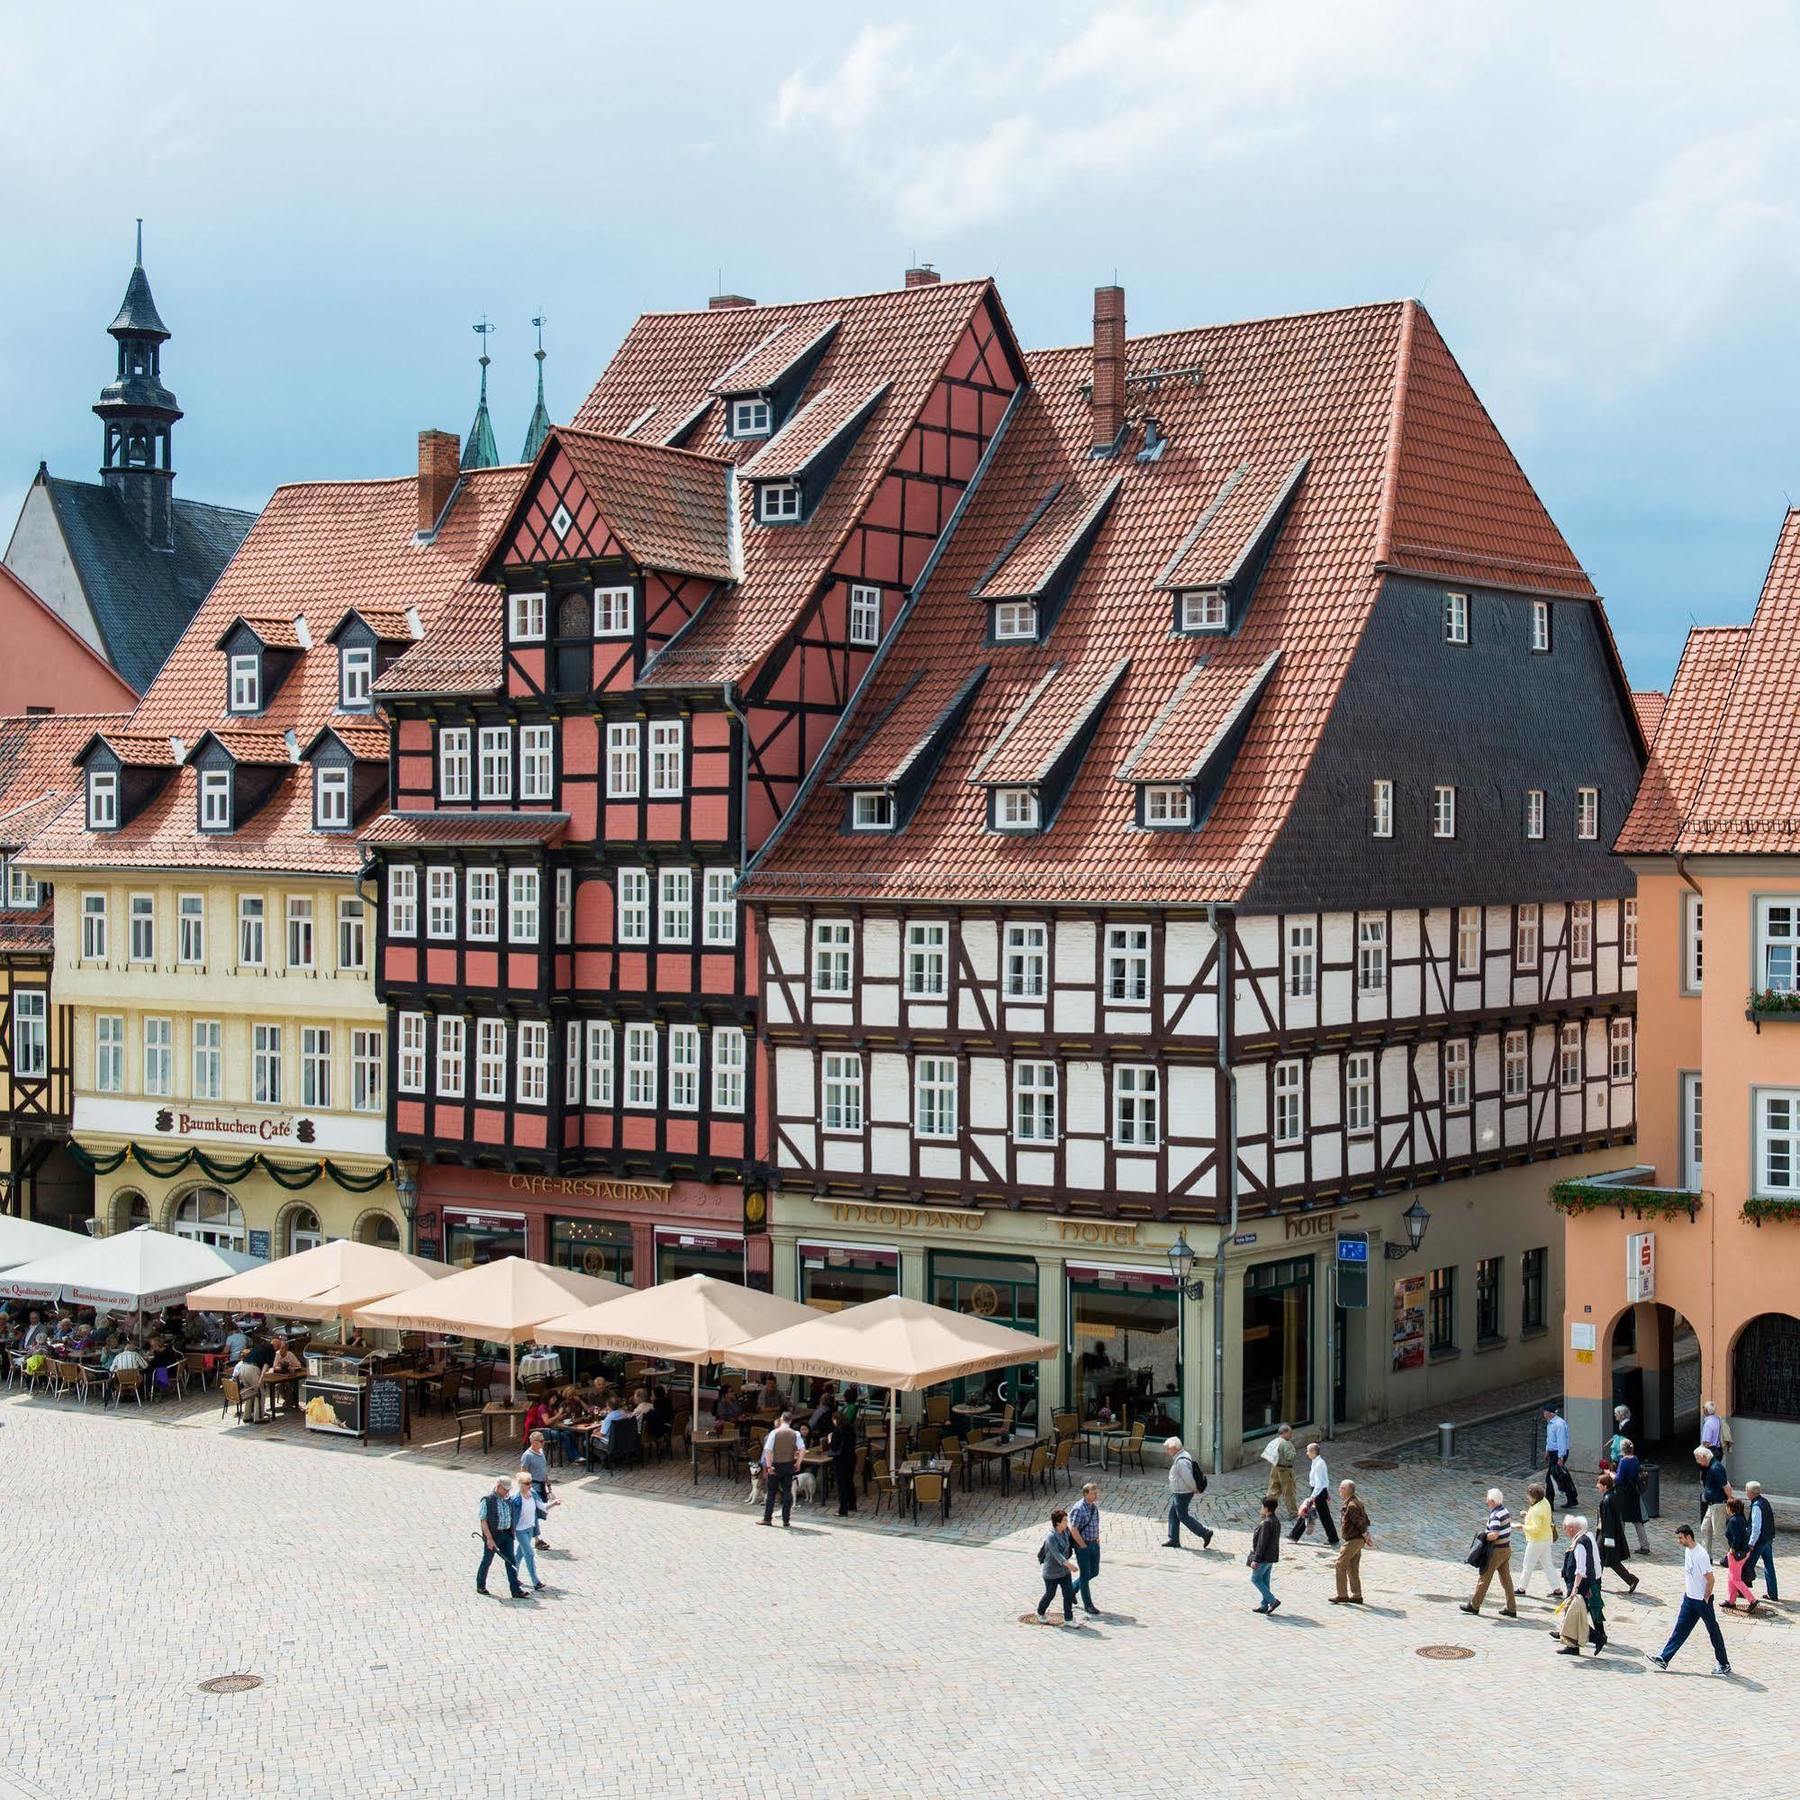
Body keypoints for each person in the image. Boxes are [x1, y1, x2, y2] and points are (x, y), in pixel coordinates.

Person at [1649, 1524, 1731, 1676]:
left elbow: (1711, 1580)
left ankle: (1724, 1663)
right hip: (1689, 1599)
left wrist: (1706, 1597)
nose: (1678, 1541)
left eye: (1680, 1538)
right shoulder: (1688, 1551)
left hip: (1701, 1601)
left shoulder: (1701, 1555)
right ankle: (1664, 1658)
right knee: (1679, 1630)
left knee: (1713, 1631)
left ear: (1688, 1537)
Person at [1462, 1488, 1517, 1616]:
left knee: (1484, 1577)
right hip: (1506, 1549)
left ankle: (1474, 1605)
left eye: (1487, 1499)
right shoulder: (1505, 1511)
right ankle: (1511, 1607)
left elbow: (1494, 1534)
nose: (1486, 1501)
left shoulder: (1495, 1515)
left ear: (1492, 1501)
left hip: (1496, 1551)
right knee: (1506, 1580)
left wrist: (1483, 1536)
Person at [1555, 1515, 1603, 1656]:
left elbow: (1580, 1569)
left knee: (1574, 1617)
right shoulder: (1582, 1539)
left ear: (1571, 1528)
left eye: (1565, 1529)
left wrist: (1575, 1589)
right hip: (1581, 1585)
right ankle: (1573, 1646)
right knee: (1573, 1616)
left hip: (1580, 1586)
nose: (1565, 1532)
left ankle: (1598, 1638)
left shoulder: (1580, 1543)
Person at [476, 1477, 526, 1600]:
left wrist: (512, 1530)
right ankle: (480, 1585)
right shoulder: (488, 1500)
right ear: (498, 1486)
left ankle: (516, 1590)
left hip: (507, 1535)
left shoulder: (508, 1500)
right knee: (487, 1560)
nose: (507, 1492)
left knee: (511, 1562)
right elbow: (483, 1521)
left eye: (508, 1489)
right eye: (505, 1489)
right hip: (494, 1535)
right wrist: (489, 1539)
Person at [1161, 1436, 1214, 1548]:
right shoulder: (1182, 1455)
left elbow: (1188, 1478)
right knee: (1173, 1515)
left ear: (1174, 1448)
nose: (1167, 1451)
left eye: (1168, 1448)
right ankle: (1173, 1539)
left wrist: (1194, 1489)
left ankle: (1205, 1533)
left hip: (1182, 1493)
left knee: (1183, 1516)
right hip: (1180, 1491)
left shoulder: (1181, 1461)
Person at [1595, 1470, 1638, 1593]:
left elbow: (1608, 1521)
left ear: (1605, 1486)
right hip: (1606, 1534)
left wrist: (1608, 1539)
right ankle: (1597, 1582)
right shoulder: (1611, 1495)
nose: (1597, 1486)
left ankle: (1630, 1579)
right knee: (1602, 1559)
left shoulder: (1608, 1499)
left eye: (1599, 1484)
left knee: (1609, 1560)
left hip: (1606, 1535)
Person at [1288, 1442, 1338, 1544]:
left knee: (1312, 1513)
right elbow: (1325, 1480)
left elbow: (1319, 1483)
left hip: (1318, 1492)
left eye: (1308, 1451)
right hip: (1319, 1492)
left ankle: (1294, 1535)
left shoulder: (1319, 1464)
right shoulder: (1317, 1462)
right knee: (1322, 1516)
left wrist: (1312, 1497)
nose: (1307, 1453)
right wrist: (1326, 1492)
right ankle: (1294, 1535)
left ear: (1313, 1452)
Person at [759, 1411, 802, 1528]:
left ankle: (767, 1518)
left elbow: (767, 1450)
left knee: (771, 1492)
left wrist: (768, 1466)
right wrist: (798, 1462)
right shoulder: (796, 1434)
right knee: (787, 1492)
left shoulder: (774, 1433)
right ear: (791, 1421)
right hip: (788, 1465)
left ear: (782, 1420)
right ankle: (786, 1520)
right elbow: (802, 1449)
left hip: (776, 1465)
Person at [1516, 1483, 1559, 1599]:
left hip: (1537, 1541)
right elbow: (1541, 1519)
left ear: (1534, 1497)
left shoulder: (1536, 1510)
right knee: (1548, 1564)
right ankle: (1557, 1589)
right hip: (1546, 1538)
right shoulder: (1544, 1502)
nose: (1527, 1498)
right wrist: (1527, 1515)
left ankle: (1521, 1588)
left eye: (1528, 1496)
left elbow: (1535, 1529)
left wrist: (1522, 1527)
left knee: (1527, 1564)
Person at [1331, 1480, 1370, 1604]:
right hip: (1358, 1539)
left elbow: (1360, 1522)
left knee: (1340, 1564)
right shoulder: (1357, 1502)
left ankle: (1342, 1595)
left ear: (1348, 1490)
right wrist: (1366, 1535)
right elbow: (1367, 1520)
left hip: (1354, 1540)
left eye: (1341, 1488)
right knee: (1352, 1566)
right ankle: (1356, 1595)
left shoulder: (1352, 1505)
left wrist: (1365, 1535)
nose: (1339, 1490)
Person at [1036, 1508, 1078, 1625]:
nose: (1067, 1522)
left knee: (1068, 1594)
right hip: (1051, 1573)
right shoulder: (1051, 1536)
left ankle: (1068, 1619)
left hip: (1064, 1572)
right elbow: (1057, 1555)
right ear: (1058, 1523)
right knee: (1050, 1594)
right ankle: (1040, 1612)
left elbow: (1071, 1544)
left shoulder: (1066, 1532)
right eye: (1065, 1520)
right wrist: (1070, 1565)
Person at [1069, 1482, 1102, 1617]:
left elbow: (1095, 1523)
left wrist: (1097, 1537)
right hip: (1083, 1546)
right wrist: (1082, 1545)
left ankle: (1072, 1588)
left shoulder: (1093, 1507)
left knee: (1094, 1572)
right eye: (1093, 1493)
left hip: (1094, 1544)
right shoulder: (1079, 1508)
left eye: (1096, 1492)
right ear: (1085, 1494)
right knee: (1085, 1574)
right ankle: (1088, 1604)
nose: (1096, 1495)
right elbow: (1073, 1529)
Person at [1743, 1481, 1779, 1602]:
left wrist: (1751, 1543)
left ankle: (1743, 1591)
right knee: (1769, 1566)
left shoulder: (1756, 1505)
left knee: (1748, 1565)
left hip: (1759, 1541)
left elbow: (1756, 1527)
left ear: (1751, 1493)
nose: (1746, 1492)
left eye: (1746, 1490)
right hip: (1768, 1538)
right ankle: (1773, 1594)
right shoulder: (1764, 1501)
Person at [1722, 1497, 1760, 1611]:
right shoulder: (1741, 1518)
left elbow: (1736, 1537)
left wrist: (1732, 1549)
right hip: (1744, 1552)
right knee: (1731, 1577)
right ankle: (1731, 1600)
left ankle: (1752, 1600)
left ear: (1730, 1508)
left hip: (1736, 1554)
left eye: (1727, 1507)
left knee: (1736, 1579)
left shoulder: (1732, 1521)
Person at [510, 1471, 545, 1592]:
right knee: (529, 1554)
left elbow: (542, 1507)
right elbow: (511, 1517)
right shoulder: (516, 1499)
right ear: (520, 1484)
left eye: (530, 1482)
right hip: (520, 1530)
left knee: (519, 1554)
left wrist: (554, 1504)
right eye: (527, 1483)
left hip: (530, 1528)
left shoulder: (533, 1493)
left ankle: (513, 1576)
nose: (530, 1485)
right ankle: (536, 1581)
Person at [1695, 1446, 1731, 1563]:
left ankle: (1735, 1554)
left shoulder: (1716, 1468)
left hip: (1718, 1504)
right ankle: (1707, 1557)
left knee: (1719, 1533)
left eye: (1698, 1459)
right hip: (1711, 1505)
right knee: (1705, 1528)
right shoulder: (1710, 1467)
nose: (1697, 1462)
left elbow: (1725, 1485)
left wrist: (1730, 1498)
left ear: (1704, 1457)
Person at [1613, 1439, 1650, 1553]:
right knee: (1637, 1520)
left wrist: (1611, 1474)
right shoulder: (1635, 1459)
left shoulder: (1623, 1461)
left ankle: (1620, 1546)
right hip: (1634, 1491)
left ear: (1622, 1449)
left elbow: (1619, 1479)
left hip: (1623, 1493)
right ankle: (1645, 1545)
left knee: (1621, 1519)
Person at [1248, 1495, 1282, 1614]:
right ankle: (1264, 1605)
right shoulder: (1276, 1520)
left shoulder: (1267, 1522)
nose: (1261, 1508)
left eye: (1262, 1506)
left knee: (1255, 1578)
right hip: (1271, 1557)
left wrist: (1256, 1559)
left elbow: (1262, 1543)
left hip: (1263, 1557)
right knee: (1265, 1580)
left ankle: (1272, 1601)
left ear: (1266, 1508)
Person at [520, 1432, 554, 1547]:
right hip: (533, 1487)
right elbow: (523, 1473)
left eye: (543, 1440)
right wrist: (526, 1489)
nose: (543, 1443)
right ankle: (537, 1539)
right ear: (533, 1442)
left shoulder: (541, 1452)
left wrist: (548, 1486)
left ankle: (529, 1533)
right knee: (534, 1512)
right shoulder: (527, 1455)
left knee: (540, 1511)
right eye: (541, 1441)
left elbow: (543, 1470)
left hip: (541, 1486)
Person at [1542, 1407, 1578, 1507]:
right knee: (1562, 1476)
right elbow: (1550, 1439)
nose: (1543, 1413)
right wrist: (1547, 1450)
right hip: (1553, 1452)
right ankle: (1572, 1498)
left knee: (1550, 1478)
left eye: (1545, 1411)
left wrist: (1561, 1457)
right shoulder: (1550, 1423)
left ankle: (1549, 1503)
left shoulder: (1559, 1424)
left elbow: (1561, 1441)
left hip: (1559, 1453)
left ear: (1550, 1413)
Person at [1261, 1424, 1298, 1517]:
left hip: (1275, 1468)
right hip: (1285, 1470)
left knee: (1272, 1490)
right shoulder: (1285, 1443)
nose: (1291, 1435)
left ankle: (1264, 1511)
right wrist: (1294, 1451)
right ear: (1284, 1432)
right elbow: (1289, 1457)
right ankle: (1293, 1512)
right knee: (1289, 1492)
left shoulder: (1274, 1441)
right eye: (1290, 1433)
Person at [829, 1408, 858, 1517]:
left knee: (841, 1485)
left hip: (841, 1460)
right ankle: (852, 1504)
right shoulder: (850, 1428)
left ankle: (843, 1509)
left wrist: (829, 1440)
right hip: (851, 1458)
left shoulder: (838, 1430)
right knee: (849, 1482)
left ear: (836, 1419)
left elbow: (834, 1446)